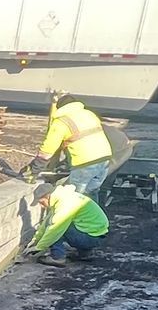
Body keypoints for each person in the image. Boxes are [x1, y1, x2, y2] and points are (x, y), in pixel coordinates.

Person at [28, 94, 116, 263]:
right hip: (104, 159)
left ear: (59, 107)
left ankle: (59, 254)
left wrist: (34, 169)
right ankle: (87, 247)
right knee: (89, 198)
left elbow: (48, 149)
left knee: (65, 213)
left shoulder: (61, 121)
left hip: (85, 162)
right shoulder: (88, 114)